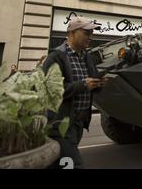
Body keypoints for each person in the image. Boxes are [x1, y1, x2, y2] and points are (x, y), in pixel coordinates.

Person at [42, 16, 106, 169]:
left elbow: (91, 83)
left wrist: (98, 84)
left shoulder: (87, 57)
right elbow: (51, 91)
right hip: (61, 124)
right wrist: (83, 85)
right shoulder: (55, 57)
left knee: (59, 163)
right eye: (86, 32)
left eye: (91, 33)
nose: (90, 37)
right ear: (71, 32)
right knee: (74, 164)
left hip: (79, 123)